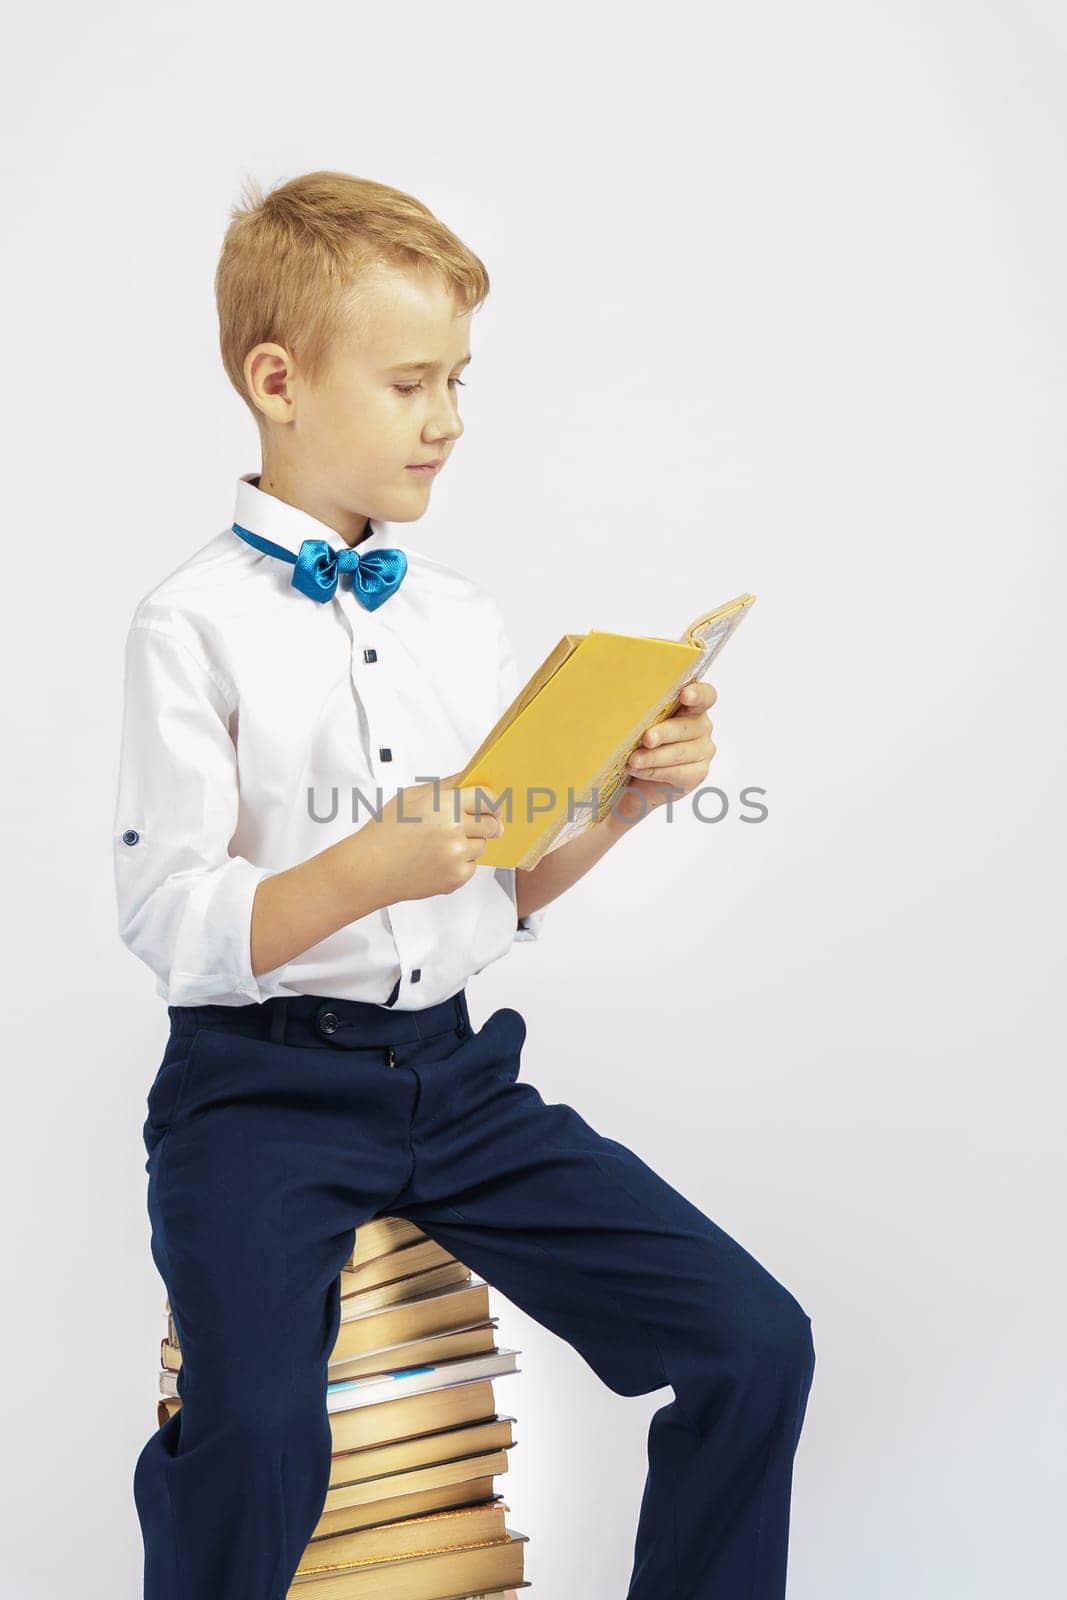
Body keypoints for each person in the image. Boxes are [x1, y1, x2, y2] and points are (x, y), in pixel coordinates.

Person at [113, 169, 815, 1600]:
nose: (449, 420)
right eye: (412, 382)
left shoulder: (463, 618)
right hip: (258, 1098)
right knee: (253, 1435)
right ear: (278, 381)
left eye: (461, 381)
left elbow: (493, 887)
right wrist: (357, 866)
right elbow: (167, 919)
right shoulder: (187, 626)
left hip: (460, 1086)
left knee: (754, 1341)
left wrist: (617, 801)